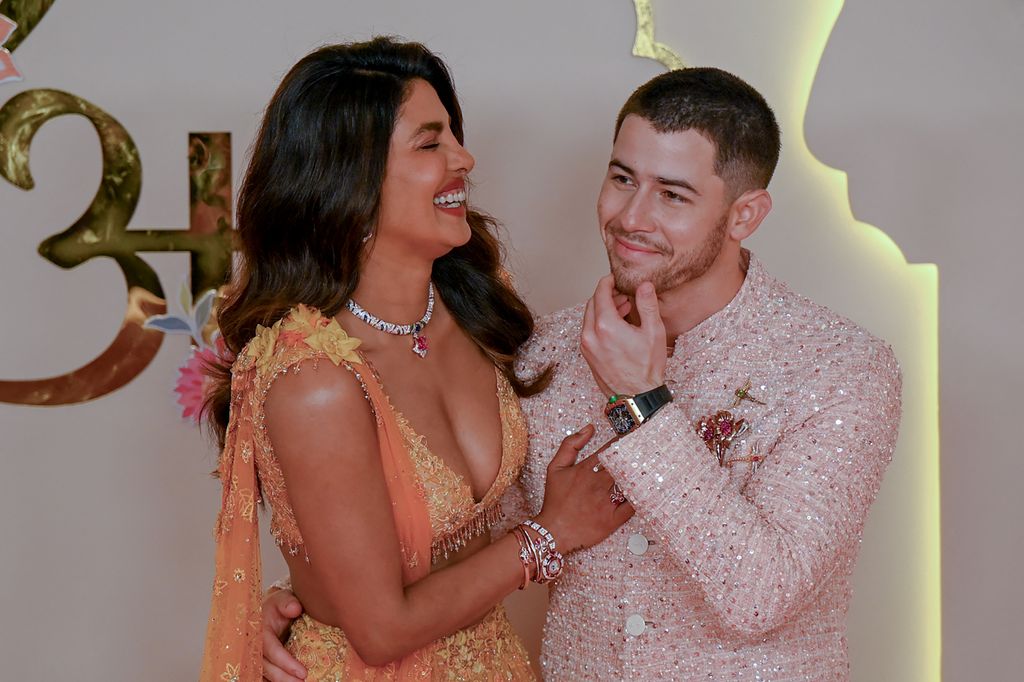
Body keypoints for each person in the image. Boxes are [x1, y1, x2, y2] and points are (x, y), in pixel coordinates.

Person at [263, 67, 902, 680]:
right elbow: (454, 531)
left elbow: (759, 597)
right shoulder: (543, 350)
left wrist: (641, 402)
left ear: (745, 215)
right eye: (623, 179)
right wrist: (311, 604)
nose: (631, 217)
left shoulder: (839, 369)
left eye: (672, 195)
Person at [199, 37, 633, 682]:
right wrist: (550, 534)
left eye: (454, 134)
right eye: (430, 144)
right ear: (349, 180)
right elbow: (381, 632)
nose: (465, 158)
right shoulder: (312, 378)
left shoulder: (477, 307)